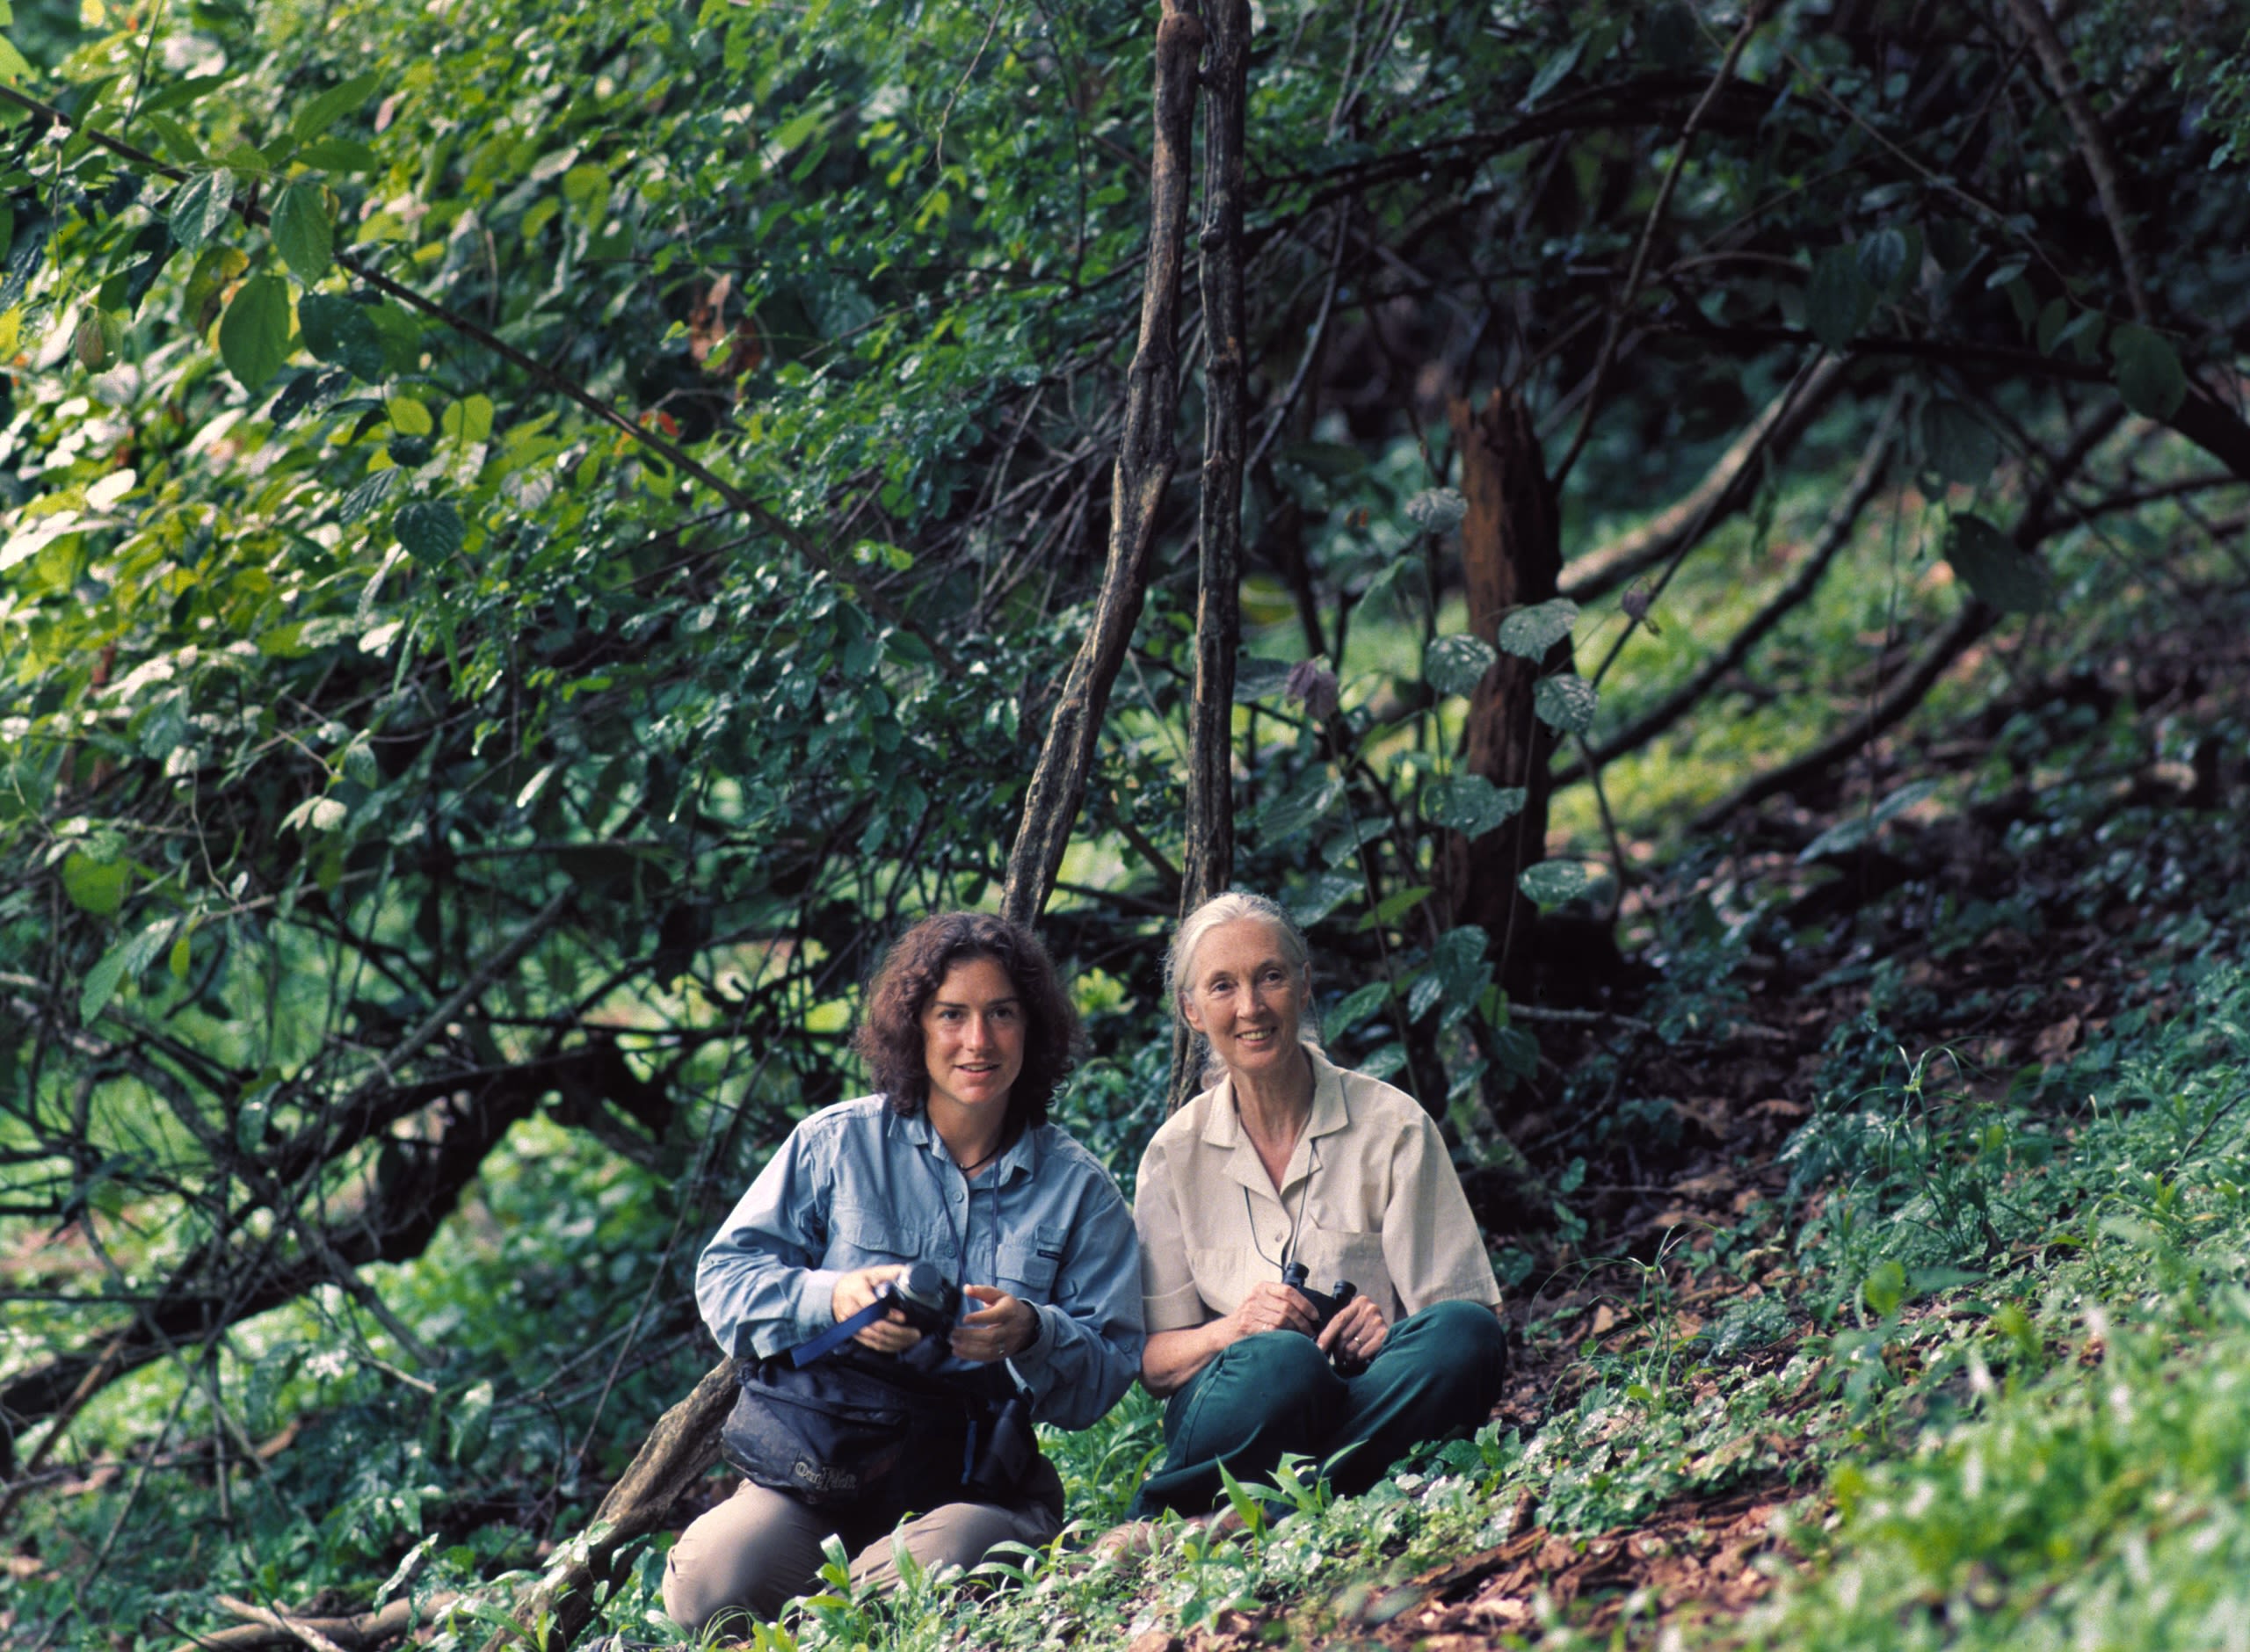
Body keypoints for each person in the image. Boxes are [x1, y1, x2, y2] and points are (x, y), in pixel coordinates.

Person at [664, 913, 1143, 1633]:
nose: (977, 1041)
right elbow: (724, 1280)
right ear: (913, 1027)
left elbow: (1109, 1370)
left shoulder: (1078, 1189)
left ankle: (847, 1612)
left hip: (972, 1491)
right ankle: (839, 1601)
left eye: (1001, 1014)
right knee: (713, 1583)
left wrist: (1033, 1332)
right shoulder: (836, 1144)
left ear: (1032, 1029)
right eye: (951, 1014)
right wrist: (833, 1296)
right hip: (819, 1475)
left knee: (944, 1563)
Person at [1129, 892, 1507, 1517]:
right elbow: (1154, 1364)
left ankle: (1246, 1512)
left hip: (1369, 1396)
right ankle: (1346, 1486)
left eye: (1270, 977)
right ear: (1192, 1011)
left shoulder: (1393, 1125)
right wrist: (1237, 1329)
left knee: (1468, 1335)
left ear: (1304, 987)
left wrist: (1382, 1338)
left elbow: (1459, 1316)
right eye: (1222, 987)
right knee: (1281, 1361)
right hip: (1246, 1414)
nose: (1251, 1007)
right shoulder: (1174, 1156)